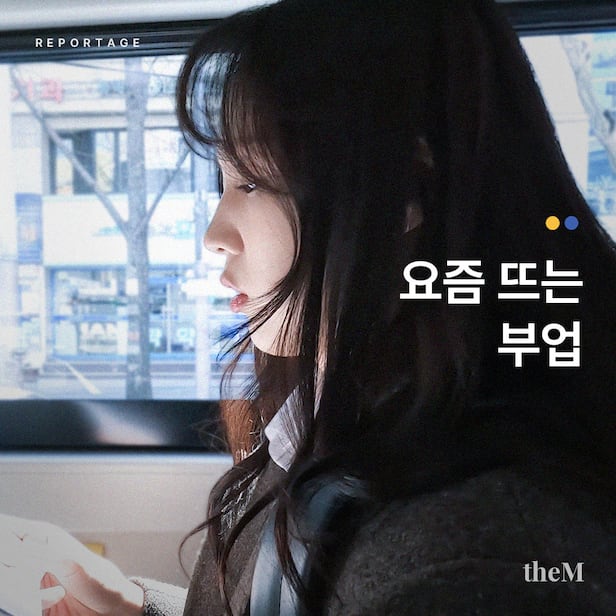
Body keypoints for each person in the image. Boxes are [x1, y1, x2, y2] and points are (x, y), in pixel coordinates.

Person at [2, 0, 616, 614]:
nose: (215, 235)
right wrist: (136, 610)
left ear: (403, 190)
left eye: (250, 181)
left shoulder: (472, 562)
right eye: (223, 183)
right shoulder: (339, 423)